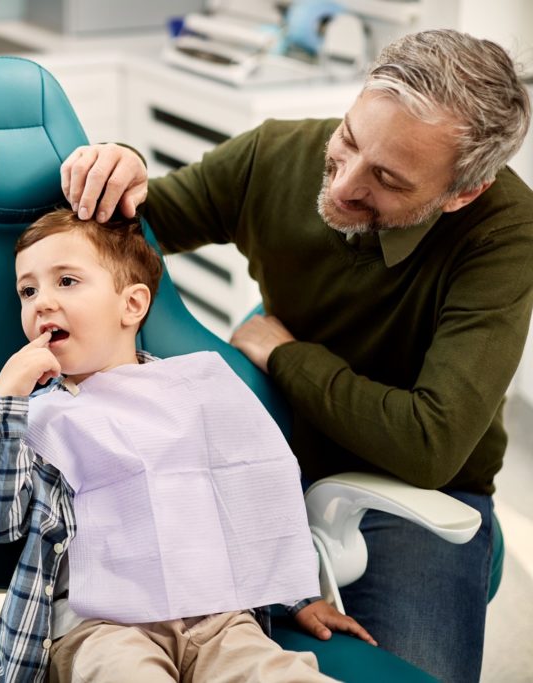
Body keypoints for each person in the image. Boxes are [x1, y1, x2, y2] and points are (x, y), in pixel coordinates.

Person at [59, 29, 532, 683]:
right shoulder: (276, 153)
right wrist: (122, 166)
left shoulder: (505, 232)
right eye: (349, 139)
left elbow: (432, 442)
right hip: (259, 461)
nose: (343, 185)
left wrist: (283, 354)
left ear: (461, 194)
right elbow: (127, 230)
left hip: (418, 486)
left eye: (388, 180)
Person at [0, 208, 376, 683]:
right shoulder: (35, 418)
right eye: (28, 291)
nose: (42, 303)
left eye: (67, 281)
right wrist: (7, 399)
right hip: (101, 628)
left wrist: (298, 596)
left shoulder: (195, 392)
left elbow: (246, 498)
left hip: (217, 616)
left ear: (132, 305)